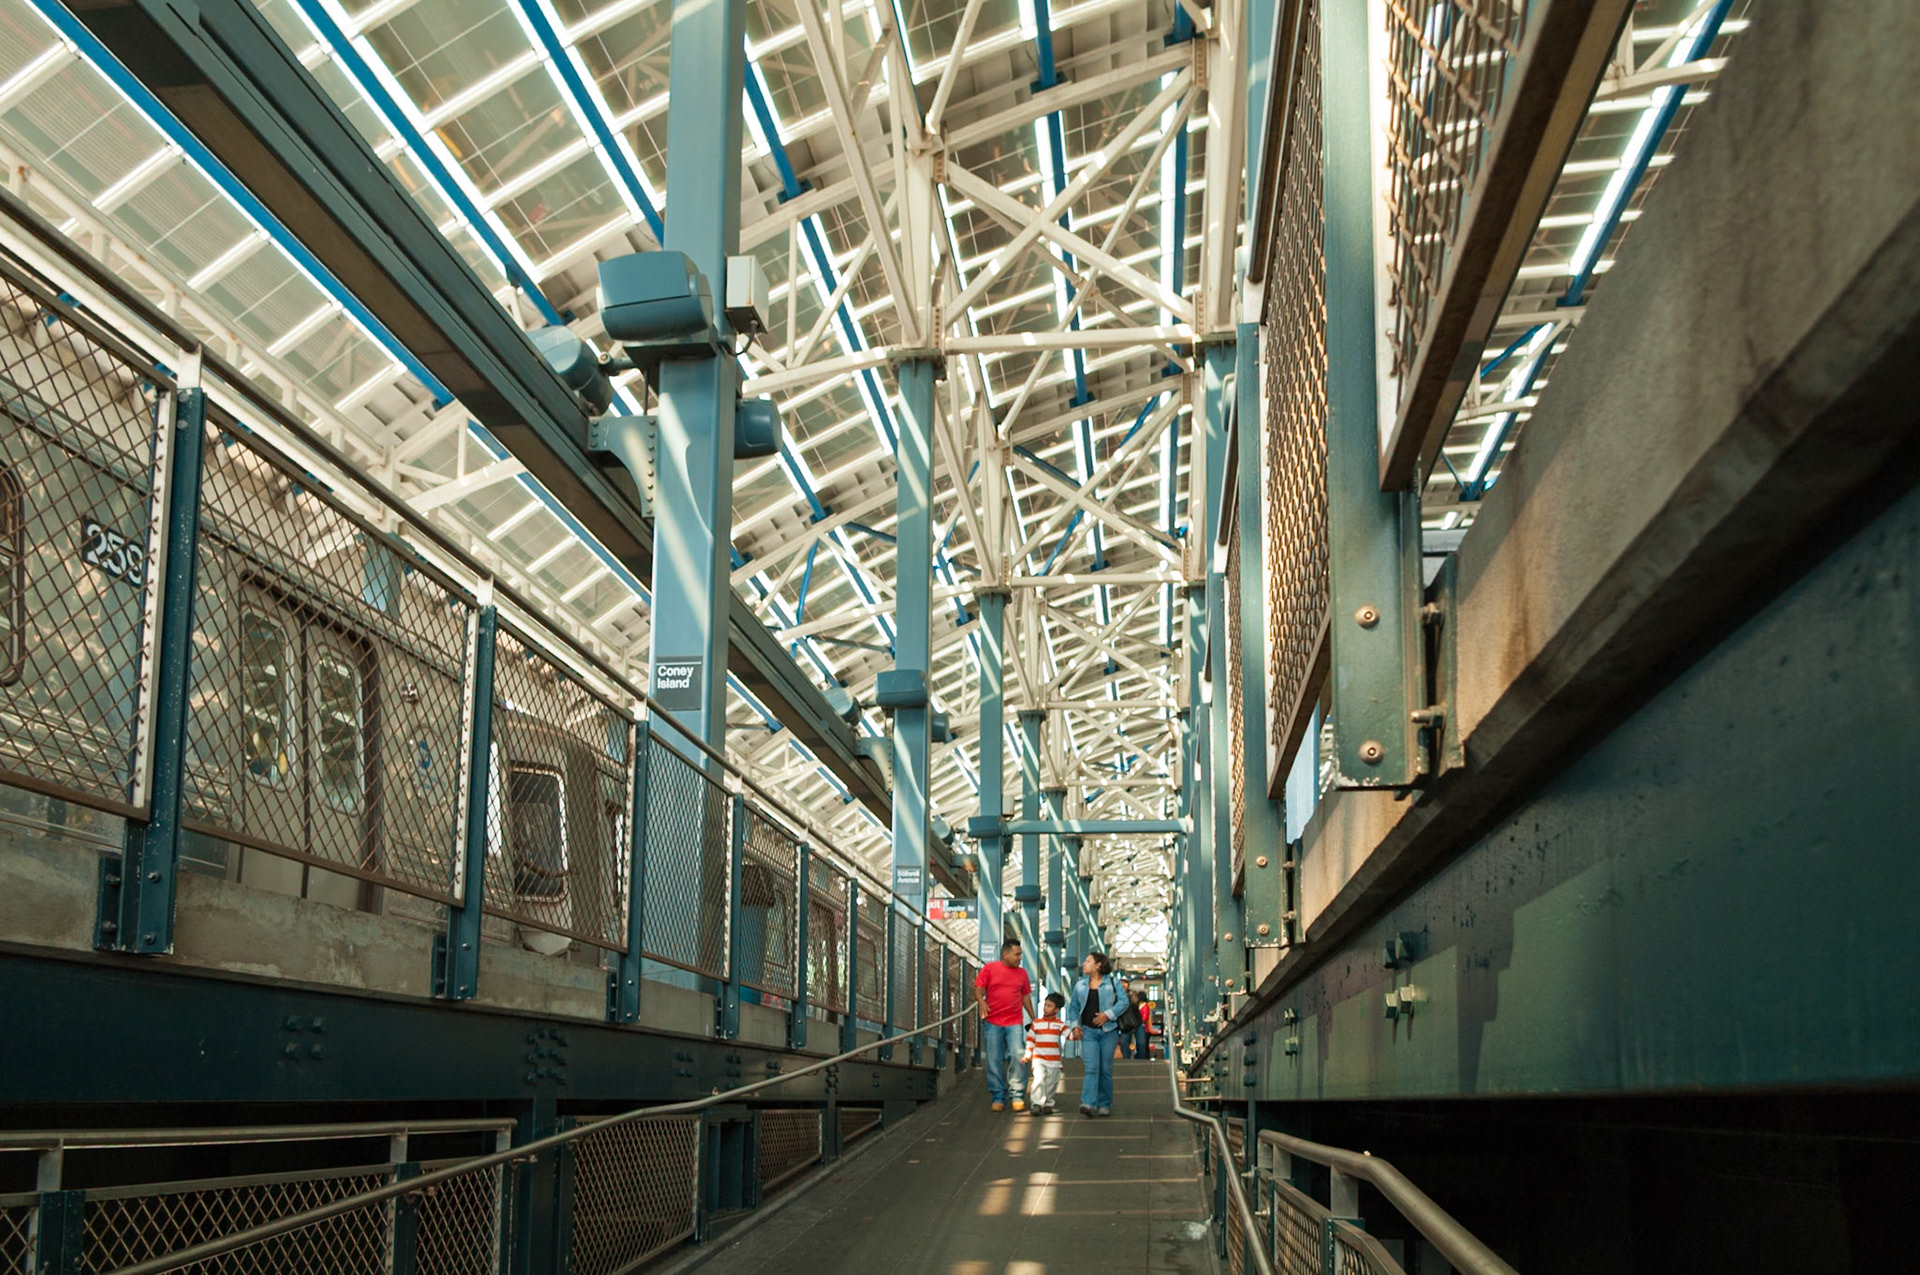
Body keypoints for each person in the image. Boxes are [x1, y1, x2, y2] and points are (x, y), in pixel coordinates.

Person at [974, 938, 1035, 1112]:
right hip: (992, 1021)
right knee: (994, 1059)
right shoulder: (990, 969)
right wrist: (981, 1002)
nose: (1019, 957)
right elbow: (979, 987)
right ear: (1005, 953)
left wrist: (1033, 1018)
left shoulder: (1022, 973)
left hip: (1014, 1022)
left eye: (1020, 954)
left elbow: (1025, 997)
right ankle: (998, 1096)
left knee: (1018, 1055)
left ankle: (1017, 1094)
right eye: (1017, 954)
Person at [1065, 950, 1125, 1117]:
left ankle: (1104, 1102)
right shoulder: (1080, 985)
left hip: (1109, 1032)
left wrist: (1108, 1015)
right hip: (1088, 1032)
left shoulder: (1112, 983)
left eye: (1088, 961)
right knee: (1091, 1068)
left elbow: (1124, 1002)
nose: (1084, 964)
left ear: (1098, 965)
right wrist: (1075, 1026)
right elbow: (1074, 1008)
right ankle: (1088, 1103)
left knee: (1105, 1068)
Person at [1024, 993, 1067, 1115]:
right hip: (1039, 1058)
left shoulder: (1060, 1025)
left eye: (1049, 1006)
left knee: (1052, 1081)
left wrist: (1076, 1033)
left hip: (1054, 1060)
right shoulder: (1036, 1024)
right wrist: (1028, 1053)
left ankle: (1048, 1101)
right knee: (1038, 1079)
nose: (1045, 1008)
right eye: (1045, 1005)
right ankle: (1037, 1103)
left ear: (1057, 1010)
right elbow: (1030, 1039)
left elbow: (1068, 1034)